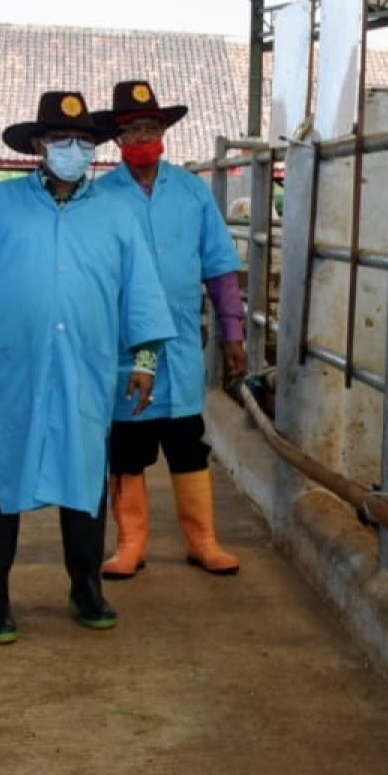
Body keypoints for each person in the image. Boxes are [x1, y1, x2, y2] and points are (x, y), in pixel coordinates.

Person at [0, 92, 172, 642]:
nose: (74, 151)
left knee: (85, 476)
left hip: (87, 366)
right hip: (12, 369)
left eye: (84, 142)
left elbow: (141, 292)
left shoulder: (117, 212)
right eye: (63, 141)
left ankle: (86, 586)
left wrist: (146, 359)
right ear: (39, 144)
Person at [96, 80, 246, 579]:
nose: (143, 135)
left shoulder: (191, 190)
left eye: (151, 126)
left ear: (164, 131)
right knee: (127, 448)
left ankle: (202, 540)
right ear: (117, 139)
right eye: (132, 128)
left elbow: (221, 265)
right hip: (123, 344)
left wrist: (233, 331)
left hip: (180, 344)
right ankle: (131, 542)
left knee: (187, 442)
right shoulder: (100, 196)